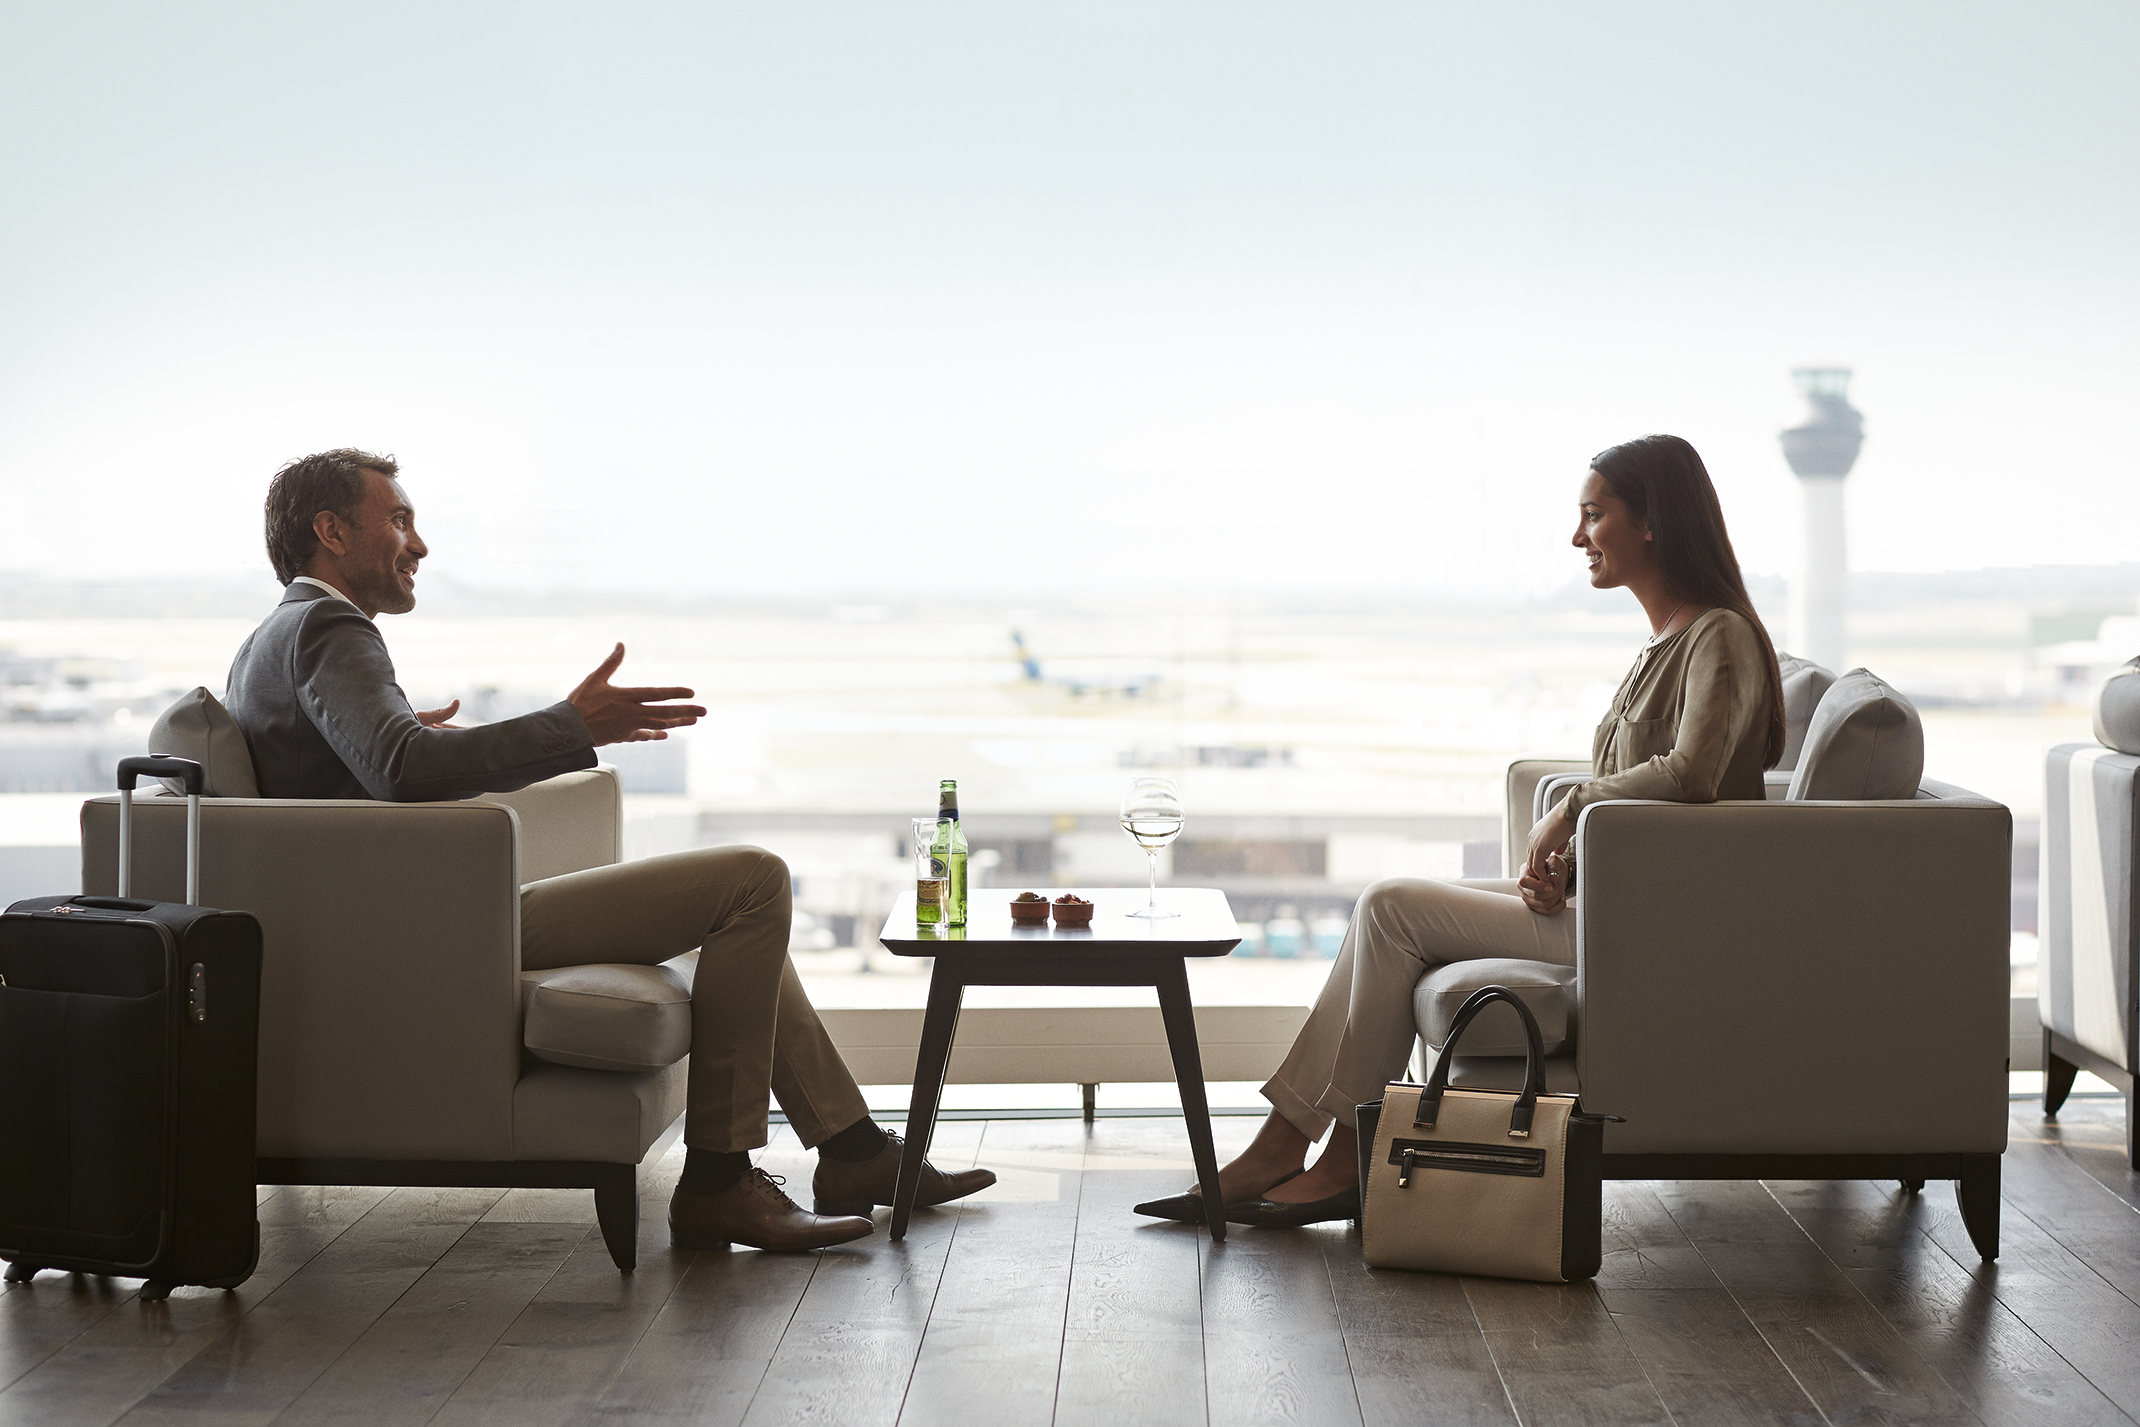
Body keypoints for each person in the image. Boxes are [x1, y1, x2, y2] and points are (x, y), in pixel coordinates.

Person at [223, 448, 994, 1252]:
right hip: (438, 924)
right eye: (400, 520)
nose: (419, 546)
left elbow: (379, 764)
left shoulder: (271, 640)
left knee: (739, 913)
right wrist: (572, 725)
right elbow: (400, 766)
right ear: (330, 531)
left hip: (411, 908)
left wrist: (423, 738)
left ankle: (855, 1151)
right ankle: (721, 1183)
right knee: (754, 880)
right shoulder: (329, 626)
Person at [1136, 434, 1786, 1228]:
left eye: (1594, 514)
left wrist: (1572, 805)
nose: (1578, 537)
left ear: (1652, 521)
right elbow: (1654, 816)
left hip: (1651, 930)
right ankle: (1321, 1152)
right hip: (1609, 904)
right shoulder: (1664, 641)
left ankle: (1301, 1150)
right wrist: (1568, 869)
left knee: (1390, 906)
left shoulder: (1719, 635)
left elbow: (1691, 777)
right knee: (1387, 916)